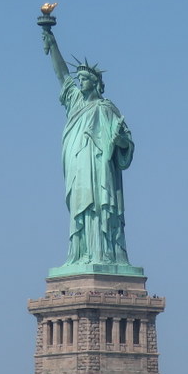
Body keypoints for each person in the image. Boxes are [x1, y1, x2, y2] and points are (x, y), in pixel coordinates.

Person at [42, 23, 134, 267]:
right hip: (78, 166)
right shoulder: (75, 102)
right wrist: (52, 43)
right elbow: (62, 76)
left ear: (94, 83)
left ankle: (105, 254)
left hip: (100, 168)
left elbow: (125, 144)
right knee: (80, 209)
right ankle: (80, 254)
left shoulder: (107, 109)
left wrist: (120, 141)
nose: (80, 82)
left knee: (101, 208)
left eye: (84, 79)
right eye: (79, 79)